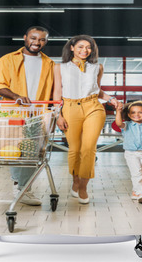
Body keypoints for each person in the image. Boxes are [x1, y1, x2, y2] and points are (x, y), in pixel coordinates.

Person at [53, 35, 119, 204]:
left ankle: (83, 186)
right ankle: (75, 180)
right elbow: (57, 92)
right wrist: (57, 114)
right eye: (81, 46)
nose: (85, 50)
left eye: (88, 47)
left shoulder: (97, 67)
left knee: (88, 148)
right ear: (72, 48)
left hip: (93, 107)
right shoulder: (59, 67)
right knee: (74, 149)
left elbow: (97, 91)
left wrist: (111, 99)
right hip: (69, 107)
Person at [0, 26, 54, 206]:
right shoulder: (8, 60)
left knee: (32, 153)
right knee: (15, 151)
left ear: (46, 42)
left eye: (42, 39)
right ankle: (21, 187)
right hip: (13, 113)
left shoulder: (49, 63)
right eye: (33, 38)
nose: (37, 42)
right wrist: (16, 96)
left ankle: (22, 188)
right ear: (25, 37)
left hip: (38, 114)